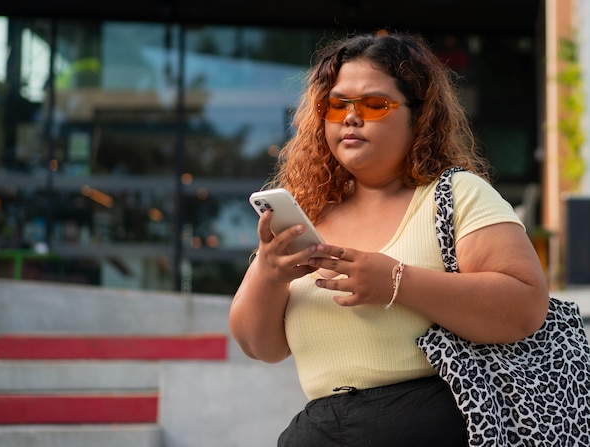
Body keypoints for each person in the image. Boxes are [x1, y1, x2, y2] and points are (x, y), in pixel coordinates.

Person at [229, 30, 549, 447]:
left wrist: (396, 281)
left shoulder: (455, 194)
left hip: (431, 423)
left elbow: (525, 306)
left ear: (420, 115)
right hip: (322, 428)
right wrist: (269, 275)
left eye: (374, 104)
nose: (351, 116)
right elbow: (260, 346)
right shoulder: (308, 212)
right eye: (336, 103)